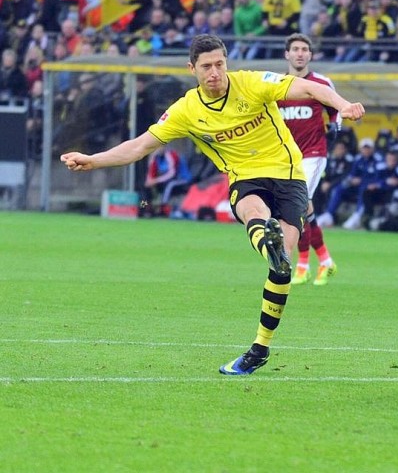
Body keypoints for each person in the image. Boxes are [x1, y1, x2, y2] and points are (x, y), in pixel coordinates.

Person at [60, 34, 365, 376]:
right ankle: (269, 238)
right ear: (192, 69)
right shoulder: (186, 110)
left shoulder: (252, 83)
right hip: (245, 178)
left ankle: (260, 345)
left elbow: (309, 89)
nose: (215, 72)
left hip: (289, 173)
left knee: (282, 267)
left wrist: (342, 104)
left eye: (220, 64)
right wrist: (93, 160)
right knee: (254, 211)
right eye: (207, 67)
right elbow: (139, 146)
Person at [276, 33, 341, 287]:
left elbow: (335, 109)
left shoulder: (321, 82)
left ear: (310, 55)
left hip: (314, 153)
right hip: (287, 157)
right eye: (295, 49)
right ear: (287, 54)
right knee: (304, 210)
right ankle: (324, 261)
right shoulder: (278, 85)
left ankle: (303, 264)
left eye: (304, 49)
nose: (300, 53)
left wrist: (336, 125)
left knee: (299, 206)